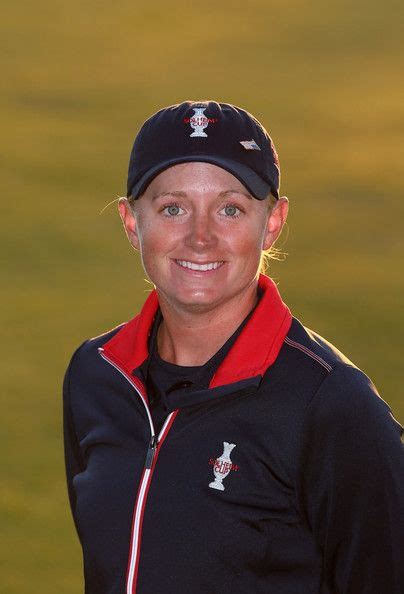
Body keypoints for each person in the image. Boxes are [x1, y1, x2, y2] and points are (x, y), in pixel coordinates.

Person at [63, 100, 404, 594]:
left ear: (271, 223)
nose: (201, 238)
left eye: (230, 209)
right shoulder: (96, 375)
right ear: (132, 222)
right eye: (173, 208)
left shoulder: (333, 406)